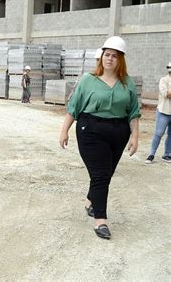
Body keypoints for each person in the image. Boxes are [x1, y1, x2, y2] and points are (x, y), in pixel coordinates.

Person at [59, 36, 141, 240]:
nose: (110, 59)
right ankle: (100, 220)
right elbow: (74, 107)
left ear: (120, 59)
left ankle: (90, 201)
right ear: (101, 57)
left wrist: (135, 136)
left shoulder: (127, 83)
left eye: (114, 56)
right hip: (91, 130)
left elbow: (133, 112)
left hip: (118, 132)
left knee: (107, 173)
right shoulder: (89, 80)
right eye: (107, 54)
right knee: (100, 175)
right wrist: (64, 130)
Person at [145, 62, 171, 164]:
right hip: (163, 111)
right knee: (159, 133)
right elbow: (167, 94)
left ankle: (167, 154)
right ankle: (151, 154)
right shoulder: (163, 80)